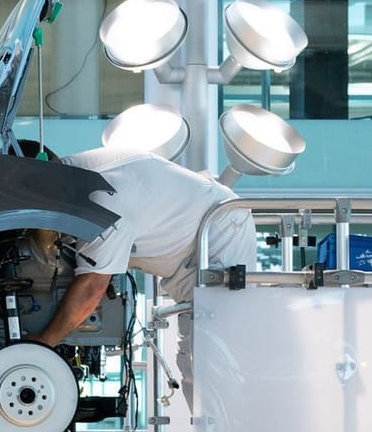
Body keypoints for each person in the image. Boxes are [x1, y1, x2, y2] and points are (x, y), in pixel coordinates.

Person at [33, 146, 255, 407]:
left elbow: (93, 286)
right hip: (197, 232)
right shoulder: (69, 166)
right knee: (203, 362)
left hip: (217, 238)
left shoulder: (104, 203)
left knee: (206, 360)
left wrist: (42, 343)